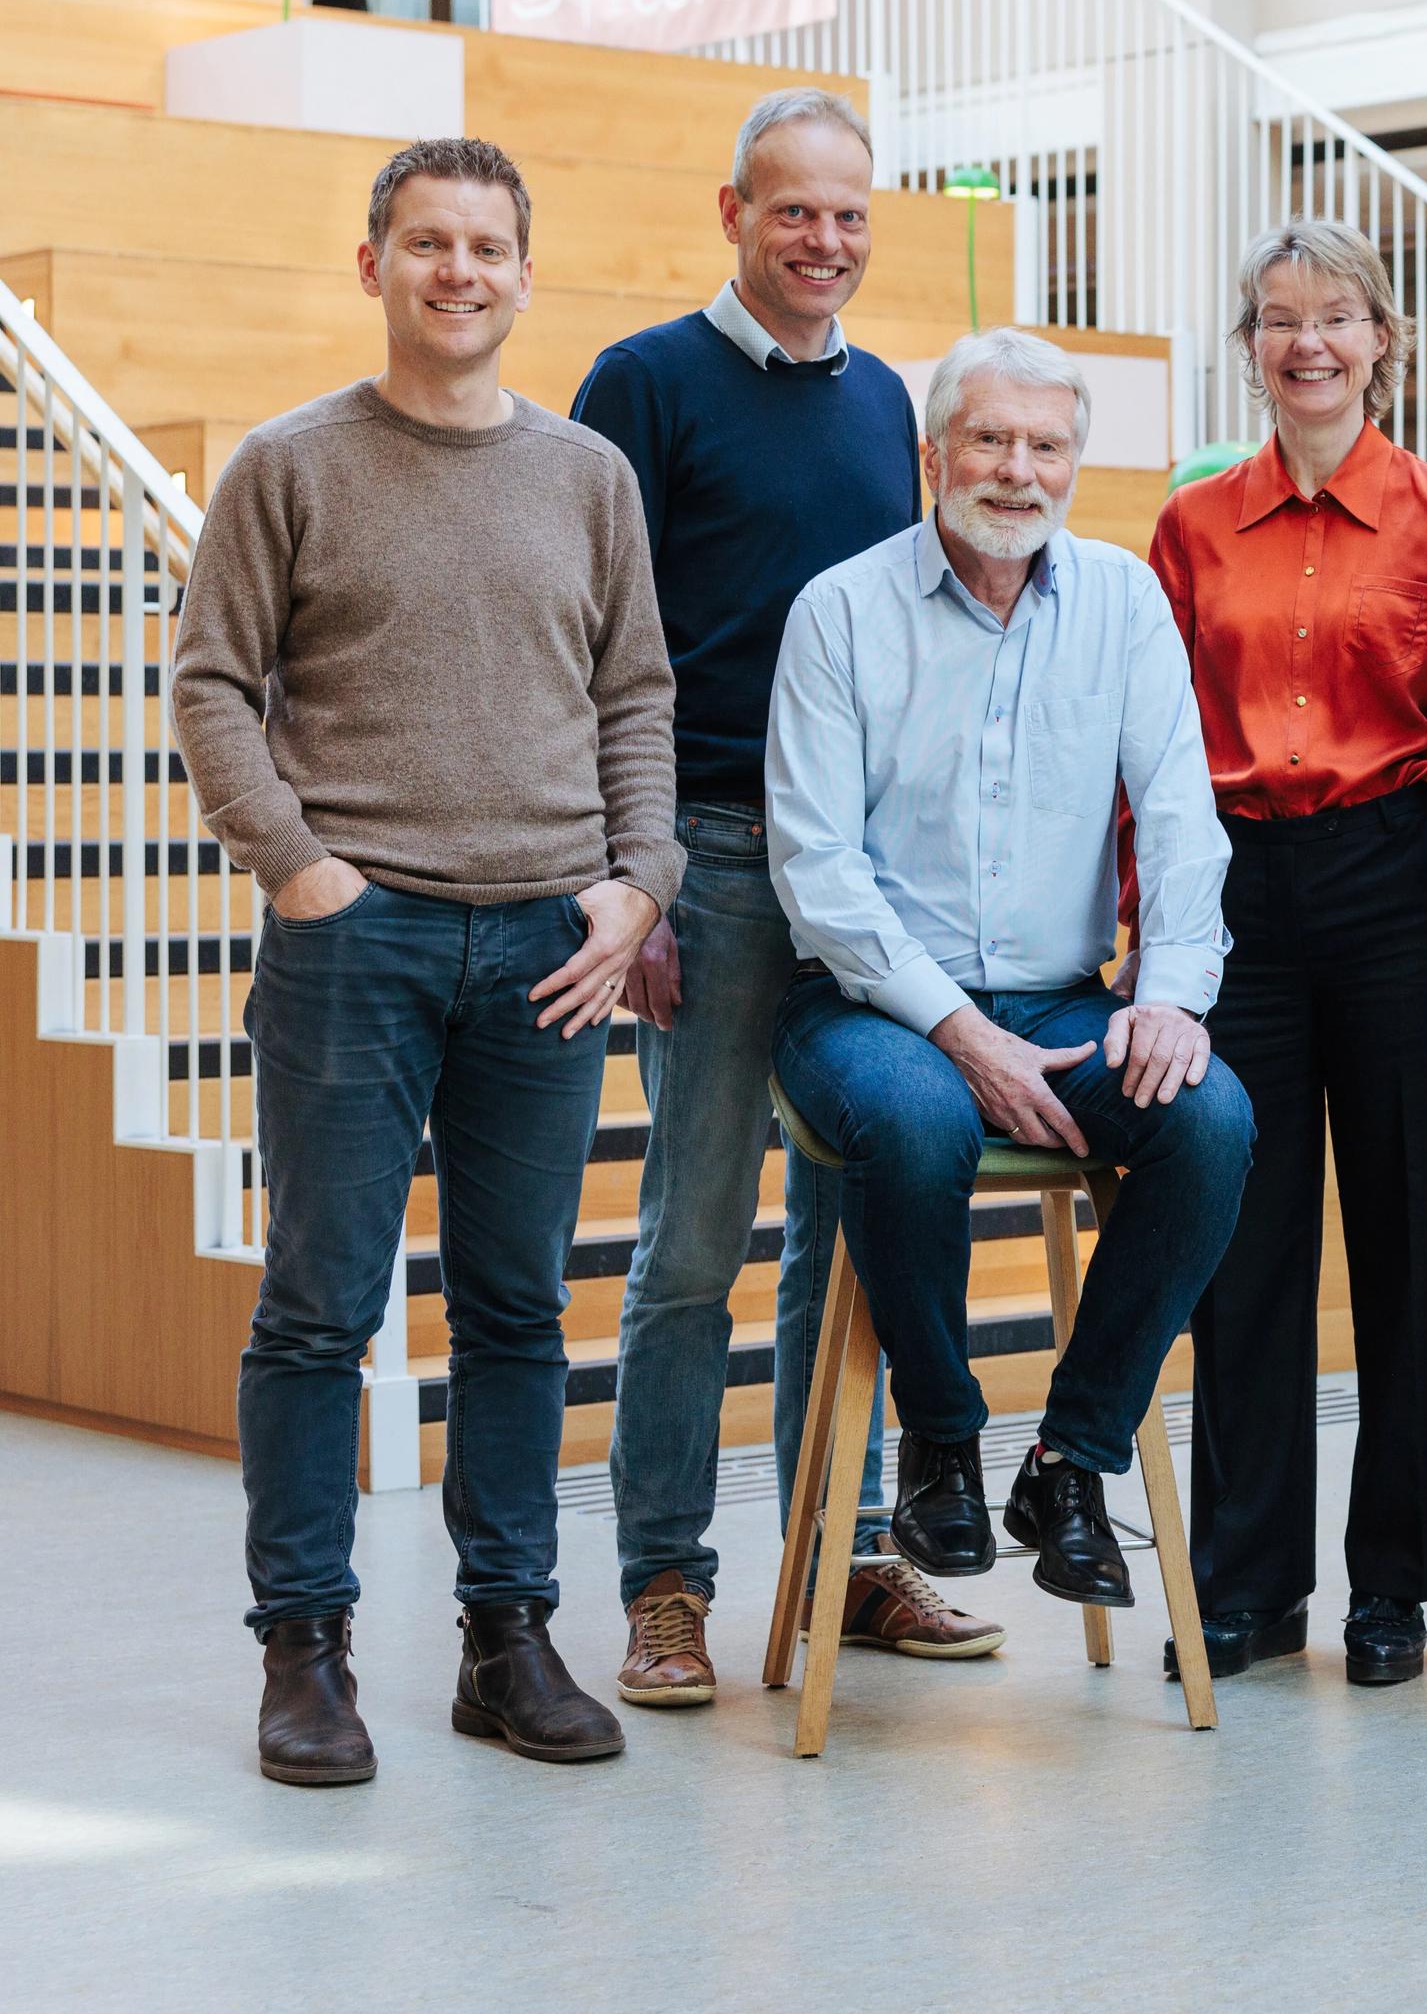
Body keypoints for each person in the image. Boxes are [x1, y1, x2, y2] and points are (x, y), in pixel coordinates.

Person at [175, 137, 678, 1785]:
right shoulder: (290, 464)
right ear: (374, 263)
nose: (458, 271)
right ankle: (303, 1650)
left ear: (525, 276)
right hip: (356, 937)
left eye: (486, 246)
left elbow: (634, 700)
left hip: (551, 943)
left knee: (520, 1310)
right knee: (323, 1308)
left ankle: (505, 1638)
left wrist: (638, 886)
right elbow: (212, 685)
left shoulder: (586, 475)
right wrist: (303, 873)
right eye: (427, 243)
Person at [573, 87, 997, 1709]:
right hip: (708, 857)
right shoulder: (644, 383)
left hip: (860, 870)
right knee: (693, 1243)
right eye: (792, 210)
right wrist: (631, 881)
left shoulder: (889, 396)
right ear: (731, 212)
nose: (823, 240)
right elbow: (593, 640)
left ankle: (848, 1550)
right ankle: (665, 1587)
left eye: (848, 215)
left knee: (858, 1228)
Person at [767, 327, 1255, 1611]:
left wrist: (1170, 998)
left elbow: (1182, 815)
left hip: (1061, 996)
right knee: (920, 1120)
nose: (1017, 471)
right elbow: (816, 867)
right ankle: (939, 1442)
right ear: (933, 454)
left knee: (1210, 1122)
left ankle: (1070, 1462)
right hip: (865, 999)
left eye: (1047, 446)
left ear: (1076, 466)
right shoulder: (841, 612)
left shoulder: (1122, 600)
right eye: (989, 439)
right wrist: (955, 1033)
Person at [1147, 220, 1427, 1688]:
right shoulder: (1190, 529)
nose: (1307, 342)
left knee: (1416, 1241)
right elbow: (1158, 746)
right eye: (1277, 320)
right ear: (1249, 348)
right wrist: (1160, 944)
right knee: (1241, 1243)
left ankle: (1399, 1586)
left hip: (1397, 881)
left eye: (1336, 318)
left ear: (1383, 338)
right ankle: (1249, 1584)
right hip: (1237, 893)